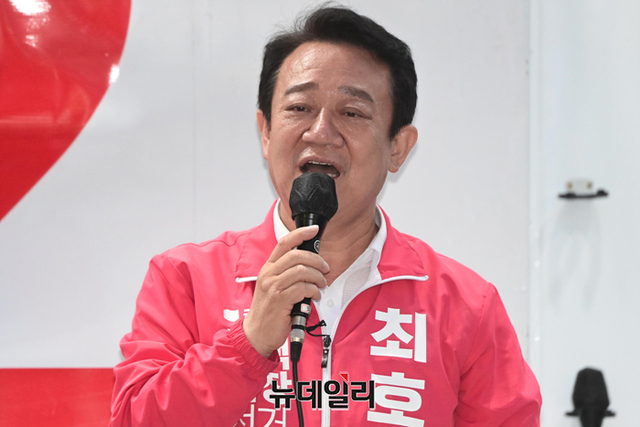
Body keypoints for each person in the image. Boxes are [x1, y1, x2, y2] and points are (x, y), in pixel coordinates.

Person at [110, 6, 541, 426]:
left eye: (351, 113)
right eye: (299, 108)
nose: (320, 132)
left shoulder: (464, 307)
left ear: (398, 147)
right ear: (265, 132)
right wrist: (249, 341)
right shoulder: (185, 280)